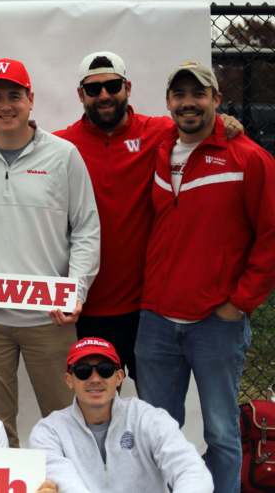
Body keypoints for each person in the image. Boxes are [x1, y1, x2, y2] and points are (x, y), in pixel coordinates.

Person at [0, 57, 100, 447]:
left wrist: (76, 289)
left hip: (50, 318)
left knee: (69, 426)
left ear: (31, 99)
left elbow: (86, 228)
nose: (5, 105)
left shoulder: (64, 156)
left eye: (14, 95)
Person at [55, 51, 242, 380]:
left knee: (155, 412)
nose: (104, 96)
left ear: (127, 87)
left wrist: (222, 122)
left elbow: (197, 125)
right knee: (94, 407)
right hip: (84, 305)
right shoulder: (61, 146)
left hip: (147, 308)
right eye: (93, 89)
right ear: (80, 95)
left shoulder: (161, 132)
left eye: (112, 86)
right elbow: (19, 148)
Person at [136, 61, 275, 492]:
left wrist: (241, 303)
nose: (188, 103)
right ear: (168, 104)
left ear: (216, 99)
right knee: (157, 431)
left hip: (216, 322)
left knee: (220, 432)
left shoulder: (249, 157)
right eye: (179, 95)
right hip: (157, 318)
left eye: (198, 94)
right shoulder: (157, 147)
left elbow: (271, 235)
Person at [29, 337, 213, 493]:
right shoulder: (48, 431)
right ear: (69, 380)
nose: (95, 379)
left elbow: (191, 469)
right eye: (83, 371)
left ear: (119, 377)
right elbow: (67, 484)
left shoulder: (148, 418)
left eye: (105, 370)